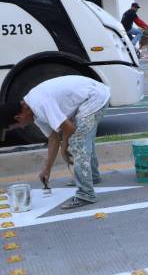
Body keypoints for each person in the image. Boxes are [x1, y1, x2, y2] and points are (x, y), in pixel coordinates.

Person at [0, 75, 111, 209]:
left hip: (95, 97)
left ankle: (86, 194)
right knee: (82, 137)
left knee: (78, 141)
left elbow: (69, 128)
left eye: (18, 126)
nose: (23, 127)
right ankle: (92, 176)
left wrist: (64, 149)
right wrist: (47, 169)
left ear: (18, 117)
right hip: (89, 97)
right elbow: (53, 138)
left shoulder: (39, 104)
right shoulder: (34, 112)